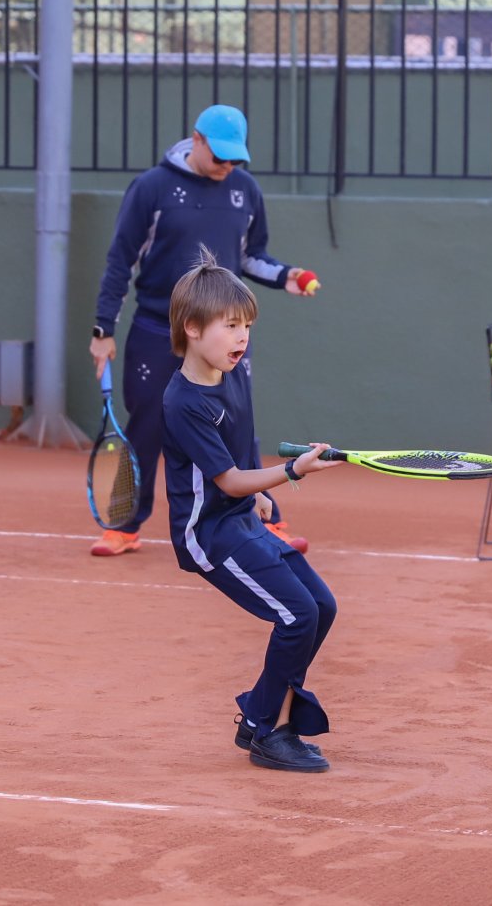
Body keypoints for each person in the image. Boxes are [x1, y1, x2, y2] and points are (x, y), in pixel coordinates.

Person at [88, 103, 318, 558]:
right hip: (157, 329)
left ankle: (266, 519)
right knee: (146, 426)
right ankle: (125, 523)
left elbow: (252, 256)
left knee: (239, 425)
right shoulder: (151, 188)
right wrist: (103, 329)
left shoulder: (245, 190)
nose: (227, 165)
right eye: (220, 156)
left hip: (221, 334)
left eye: (235, 158)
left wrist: (286, 276)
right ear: (196, 140)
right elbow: (121, 261)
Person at [163, 249, 343, 772]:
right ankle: (269, 732)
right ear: (192, 328)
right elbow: (227, 479)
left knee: (321, 605)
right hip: (208, 533)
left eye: (247, 326)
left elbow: (240, 445)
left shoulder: (234, 372)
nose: (242, 337)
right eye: (231, 326)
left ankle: (261, 718)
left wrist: (261, 493)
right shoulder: (183, 403)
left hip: (239, 516)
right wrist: (291, 472)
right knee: (297, 614)